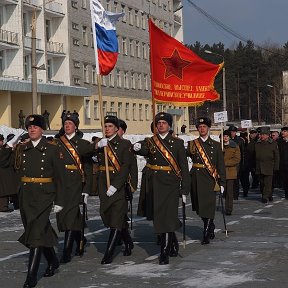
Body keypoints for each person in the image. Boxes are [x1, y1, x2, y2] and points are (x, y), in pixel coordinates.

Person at [0, 115, 66, 288]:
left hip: (44, 195)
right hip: (26, 195)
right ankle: (52, 260)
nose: (32, 129)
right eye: (29, 127)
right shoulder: (23, 148)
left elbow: (61, 177)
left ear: (42, 129)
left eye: (35, 127)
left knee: (36, 234)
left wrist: (60, 200)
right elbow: (4, 162)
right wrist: (10, 145)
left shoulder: (52, 148)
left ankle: (31, 276)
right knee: (36, 229)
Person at [134, 112, 190, 265]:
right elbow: (142, 150)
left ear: (169, 125)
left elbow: (184, 167)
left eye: (164, 123)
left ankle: (164, 251)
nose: (160, 125)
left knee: (166, 215)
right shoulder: (151, 141)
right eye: (158, 123)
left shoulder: (177, 143)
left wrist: (185, 188)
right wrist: (137, 148)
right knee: (160, 216)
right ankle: (172, 241)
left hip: (170, 183)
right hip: (155, 183)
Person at [95, 115, 135, 264]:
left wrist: (116, 185)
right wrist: (97, 147)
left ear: (117, 129)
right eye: (105, 126)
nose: (107, 129)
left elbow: (126, 168)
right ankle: (128, 241)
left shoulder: (125, 144)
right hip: (103, 185)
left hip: (117, 187)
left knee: (116, 219)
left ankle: (108, 254)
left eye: (110, 126)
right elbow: (86, 153)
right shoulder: (101, 143)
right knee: (107, 215)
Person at [53, 112, 93, 264]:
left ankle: (66, 252)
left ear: (76, 126)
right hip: (60, 185)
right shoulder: (56, 143)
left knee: (70, 217)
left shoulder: (82, 144)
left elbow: (88, 168)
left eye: (70, 123)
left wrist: (87, 190)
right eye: (65, 123)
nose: (67, 126)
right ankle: (80, 237)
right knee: (64, 216)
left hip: (76, 184)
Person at [187, 117, 225, 245]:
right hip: (196, 177)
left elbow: (220, 165)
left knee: (208, 205)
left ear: (208, 128)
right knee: (199, 206)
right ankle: (211, 225)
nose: (202, 129)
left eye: (204, 126)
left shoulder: (215, 145)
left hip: (210, 178)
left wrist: (222, 182)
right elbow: (182, 155)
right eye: (200, 127)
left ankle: (205, 233)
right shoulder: (192, 144)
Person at [117, 119, 138, 253]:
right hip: (108, 185)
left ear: (123, 131)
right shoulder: (105, 144)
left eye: (117, 128)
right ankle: (123, 237)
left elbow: (133, 167)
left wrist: (133, 184)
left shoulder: (126, 145)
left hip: (123, 184)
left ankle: (126, 241)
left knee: (120, 214)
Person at [254, 127, 279, 203]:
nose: (262, 136)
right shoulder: (257, 144)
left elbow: (277, 156)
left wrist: (276, 167)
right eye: (261, 134)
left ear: (268, 135)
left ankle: (264, 197)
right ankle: (269, 194)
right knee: (262, 183)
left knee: (268, 183)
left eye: (264, 134)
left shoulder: (273, 144)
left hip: (269, 166)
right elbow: (253, 156)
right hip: (259, 166)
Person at [222, 130, 241, 215]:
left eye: (227, 136)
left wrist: (225, 163)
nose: (225, 138)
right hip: (220, 172)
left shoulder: (234, 146)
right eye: (224, 136)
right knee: (223, 191)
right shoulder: (219, 146)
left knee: (229, 191)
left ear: (229, 137)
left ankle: (229, 208)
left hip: (230, 172)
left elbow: (237, 159)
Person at [0, 134, 18, 212]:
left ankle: (13, 204)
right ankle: (3, 207)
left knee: (6, 191)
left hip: (7, 173)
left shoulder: (6, 150)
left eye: (1, 141)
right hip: (5, 173)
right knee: (4, 191)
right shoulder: (6, 150)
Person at [228, 125, 244, 200]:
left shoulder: (240, 141)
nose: (232, 133)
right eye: (231, 132)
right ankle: (228, 194)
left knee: (236, 179)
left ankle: (235, 194)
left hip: (237, 163)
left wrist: (242, 163)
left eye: (234, 132)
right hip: (228, 162)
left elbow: (243, 152)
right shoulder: (225, 139)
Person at [278, 126, 288, 199]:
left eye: (284, 131)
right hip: (282, 164)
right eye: (282, 131)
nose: (282, 132)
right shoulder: (279, 141)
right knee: (285, 180)